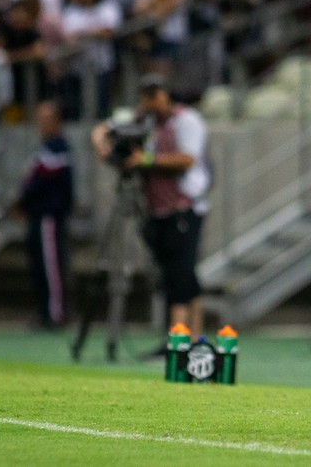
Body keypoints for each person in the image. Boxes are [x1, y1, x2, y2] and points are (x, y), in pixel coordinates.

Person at [90, 74, 210, 339]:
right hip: (157, 209)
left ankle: (180, 341)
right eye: (147, 96)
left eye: (156, 95)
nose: (152, 102)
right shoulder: (142, 121)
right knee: (175, 277)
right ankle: (188, 338)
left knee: (180, 275)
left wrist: (145, 160)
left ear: (167, 95)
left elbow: (187, 159)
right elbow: (103, 129)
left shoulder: (187, 121)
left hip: (184, 208)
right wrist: (103, 147)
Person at [17, 101, 74, 329]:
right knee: (41, 265)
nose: (40, 124)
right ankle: (46, 311)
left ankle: (55, 314)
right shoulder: (47, 147)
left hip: (49, 215)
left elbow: (39, 182)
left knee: (51, 266)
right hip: (38, 215)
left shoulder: (59, 147)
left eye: (45, 119)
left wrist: (23, 200)